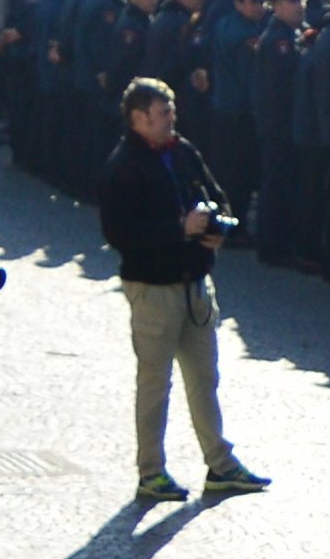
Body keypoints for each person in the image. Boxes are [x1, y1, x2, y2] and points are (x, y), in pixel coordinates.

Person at [93, 74, 266, 504]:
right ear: (138, 119)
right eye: (162, 113)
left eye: (171, 110)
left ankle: (220, 464)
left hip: (195, 283)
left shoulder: (183, 151)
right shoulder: (122, 167)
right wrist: (177, 229)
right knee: (155, 384)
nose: (171, 118)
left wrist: (216, 228)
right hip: (153, 288)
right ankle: (151, 471)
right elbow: (118, 233)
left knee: (204, 378)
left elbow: (219, 198)